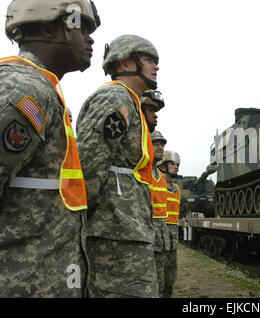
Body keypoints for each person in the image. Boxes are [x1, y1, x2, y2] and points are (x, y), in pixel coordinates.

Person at [0, 0, 100, 297]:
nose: (90, 37)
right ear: (47, 27)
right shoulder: (24, 90)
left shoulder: (43, 89)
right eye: (82, 25)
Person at [76, 34, 159, 298]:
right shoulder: (115, 98)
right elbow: (89, 163)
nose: (156, 67)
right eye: (148, 60)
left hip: (125, 227)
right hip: (114, 232)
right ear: (124, 64)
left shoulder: (129, 101)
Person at [149, 130, 172, 297]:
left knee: (161, 283)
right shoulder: (142, 174)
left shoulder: (162, 179)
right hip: (147, 237)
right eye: (155, 143)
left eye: (162, 144)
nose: (160, 147)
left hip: (161, 238)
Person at [158, 151, 182, 298]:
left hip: (172, 240)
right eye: (172, 163)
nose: (176, 167)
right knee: (158, 280)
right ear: (162, 166)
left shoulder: (177, 189)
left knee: (170, 279)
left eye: (177, 164)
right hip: (159, 237)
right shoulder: (156, 185)